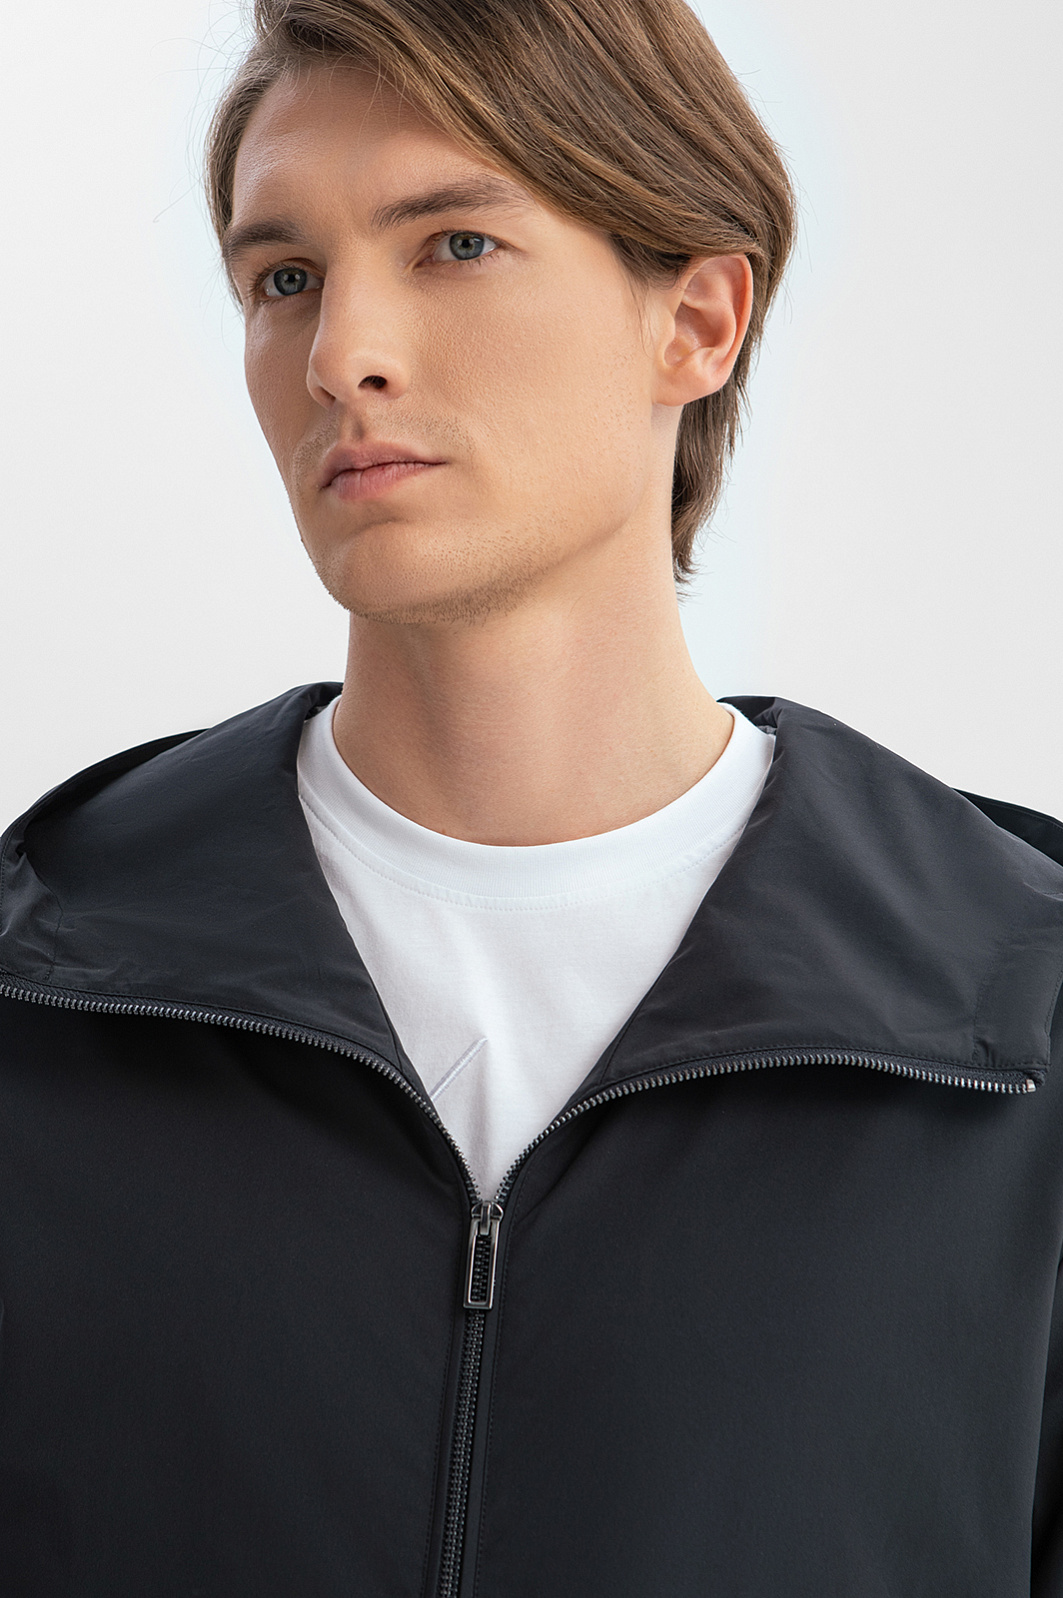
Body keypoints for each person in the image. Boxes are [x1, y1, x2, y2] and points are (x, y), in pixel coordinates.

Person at [1, 0, 1062, 1591]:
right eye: (284, 277)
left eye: (455, 246)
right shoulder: (37, 988)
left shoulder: (1021, 1016)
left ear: (697, 320)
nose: (343, 354)